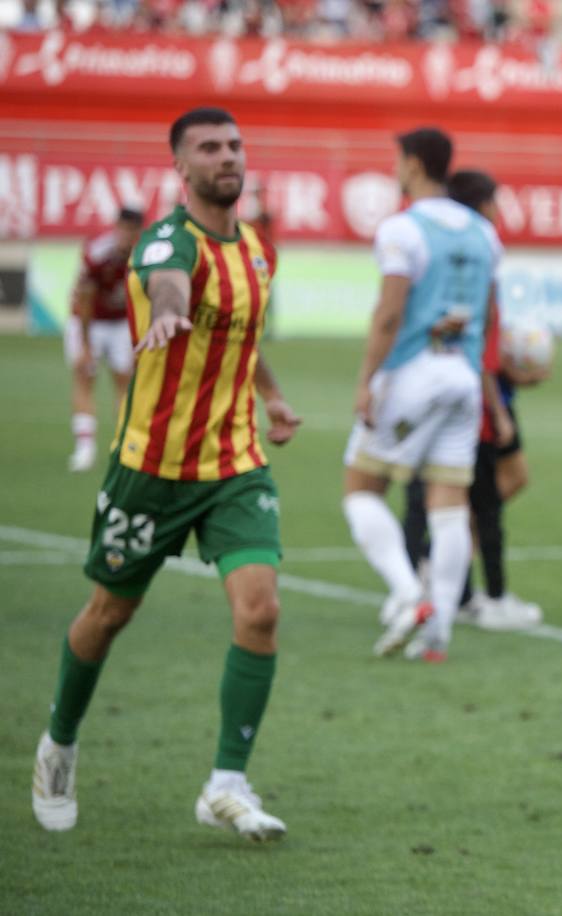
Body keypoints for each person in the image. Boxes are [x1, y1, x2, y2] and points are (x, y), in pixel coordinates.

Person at [31, 107, 301, 841]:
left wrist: (270, 393)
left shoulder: (257, 251)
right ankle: (59, 742)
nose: (227, 157)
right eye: (209, 148)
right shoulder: (162, 243)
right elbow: (173, 286)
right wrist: (171, 313)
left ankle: (225, 783)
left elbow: (241, 333)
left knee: (261, 610)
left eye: (235, 145)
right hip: (151, 469)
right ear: (181, 168)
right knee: (110, 613)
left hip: (235, 465)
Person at [342, 128, 502, 662]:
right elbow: (487, 312)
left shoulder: (403, 229)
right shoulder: (484, 233)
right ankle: (438, 638)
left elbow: (389, 313)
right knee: (449, 504)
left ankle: (409, 594)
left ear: (412, 164)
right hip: (463, 375)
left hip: (414, 371)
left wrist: (366, 379)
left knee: (361, 486)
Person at [400, 169, 542, 632]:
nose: (499, 212)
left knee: (494, 486)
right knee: (480, 501)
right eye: (495, 203)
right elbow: (472, 343)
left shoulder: (474, 259)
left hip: (477, 389)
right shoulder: (473, 261)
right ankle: (473, 590)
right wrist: (497, 404)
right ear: (481, 207)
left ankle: (443, 571)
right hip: (475, 398)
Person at [65, 206, 143, 473]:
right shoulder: (98, 252)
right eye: (123, 228)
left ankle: (124, 445)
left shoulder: (145, 254)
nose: (126, 235)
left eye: (132, 230)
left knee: (125, 381)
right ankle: (85, 448)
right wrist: (86, 345)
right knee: (85, 377)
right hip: (89, 321)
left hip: (122, 322)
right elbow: (85, 299)